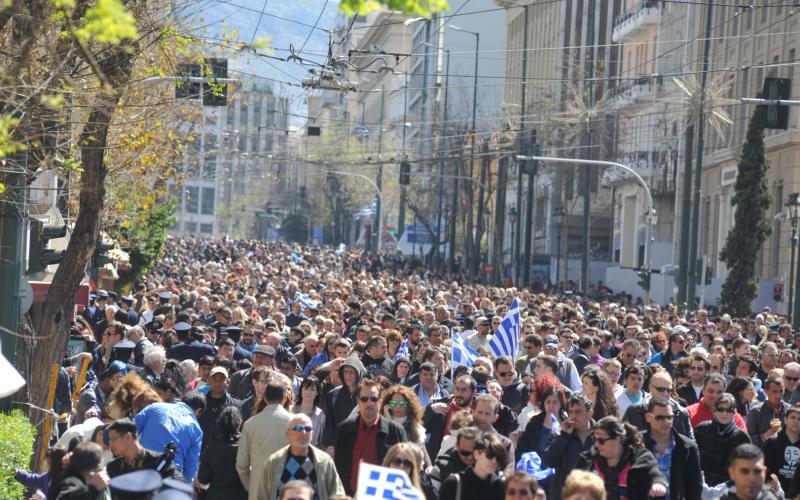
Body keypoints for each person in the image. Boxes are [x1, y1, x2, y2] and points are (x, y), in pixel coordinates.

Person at [334, 378, 407, 495]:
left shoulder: (395, 432)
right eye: (364, 399)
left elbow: (404, 471)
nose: (369, 403)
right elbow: (337, 467)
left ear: (380, 402)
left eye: (374, 399)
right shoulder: (344, 430)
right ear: (358, 401)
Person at [574, 416, 667, 500]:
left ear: (617, 439)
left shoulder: (640, 457)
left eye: (601, 440)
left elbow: (655, 475)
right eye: (595, 440)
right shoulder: (588, 460)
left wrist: (658, 484)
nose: (596, 445)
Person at [257, 414, 344, 500]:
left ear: (312, 434)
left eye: (308, 429)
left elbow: (338, 494)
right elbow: (262, 495)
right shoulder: (274, 461)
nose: (303, 432)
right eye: (298, 428)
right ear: (287, 434)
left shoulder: (325, 461)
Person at [237, 379, 293, 498]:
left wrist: (251, 485)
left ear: (265, 398)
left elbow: (241, 465)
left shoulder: (250, 424)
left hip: (257, 489)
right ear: (285, 397)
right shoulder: (294, 423)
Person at [642, 397, 703, 500]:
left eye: (669, 417)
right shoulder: (638, 444)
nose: (665, 421)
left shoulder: (687, 446)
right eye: (659, 417)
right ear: (648, 417)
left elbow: (694, 485)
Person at [133, 394, 204, 481]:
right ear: (199, 411)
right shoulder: (196, 429)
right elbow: (191, 465)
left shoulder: (156, 407)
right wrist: (184, 485)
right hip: (169, 475)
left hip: (141, 464)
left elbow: (131, 429)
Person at [541, 393, 596, 500]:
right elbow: (549, 461)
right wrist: (564, 436)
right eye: (571, 412)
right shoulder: (560, 432)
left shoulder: (600, 434)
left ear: (590, 413)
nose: (573, 416)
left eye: (578, 412)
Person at [693, 392, 752, 486]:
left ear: (734, 412)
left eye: (729, 410)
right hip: (700, 485)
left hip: (727, 490)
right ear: (714, 410)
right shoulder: (701, 429)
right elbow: (691, 458)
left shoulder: (741, 437)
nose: (724, 413)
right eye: (720, 409)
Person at [104, 418, 182, 480]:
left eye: (113, 439)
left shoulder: (158, 461)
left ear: (128, 437)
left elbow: (179, 485)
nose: (110, 444)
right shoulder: (113, 468)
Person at [423, 374, 478, 460]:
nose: (459, 393)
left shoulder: (479, 411)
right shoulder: (439, 406)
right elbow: (417, 423)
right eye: (457, 389)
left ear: (474, 392)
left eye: (464, 390)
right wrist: (429, 411)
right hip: (438, 462)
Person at [197, 406, 247, 500]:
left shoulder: (212, 446)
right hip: (239, 495)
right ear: (239, 422)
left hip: (214, 495)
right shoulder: (245, 445)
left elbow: (203, 478)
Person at [439, 433, 507, 500]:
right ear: (476, 454)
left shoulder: (500, 488)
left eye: (499, 458)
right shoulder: (454, 483)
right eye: (490, 455)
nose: (494, 461)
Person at [322, 354, 365, 453]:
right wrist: (330, 444)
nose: (348, 376)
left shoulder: (366, 396)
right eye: (345, 372)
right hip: (338, 448)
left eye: (351, 372)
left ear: (358, 374)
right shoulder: (333, 395)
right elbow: (329, 423)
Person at [198, 366, 242, 449]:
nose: (218, 383)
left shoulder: (236, 405)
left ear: (228, 381)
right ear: (208, 381)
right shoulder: (200, 402)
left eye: (221, 379)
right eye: (214, 379)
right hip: (201, 452)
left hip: (224, 455)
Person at [430, 426, 480, 494]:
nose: (470, 457)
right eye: (465, 453)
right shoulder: (442, 466)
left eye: (474, 453)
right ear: (457, 446)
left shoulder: (486, 466)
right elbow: (432, 495)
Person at [763, 405, 800, 493]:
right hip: (774, 494)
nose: (796, 421)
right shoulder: (771, 442)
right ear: (785, 419)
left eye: (799, 419)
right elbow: (762, 468)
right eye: (793, 417)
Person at [382, 384, 427, 454]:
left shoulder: (415, 426)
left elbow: (423, 453)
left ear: (409, 405)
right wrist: (387, 418)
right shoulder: (382, 423)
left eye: (402, 404)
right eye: (394, 403)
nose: (397, 406)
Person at [746, 377, 790, 446]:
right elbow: (747, 438)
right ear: (766, 391)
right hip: (764, 453)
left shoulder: (790, 411)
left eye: (781, 391)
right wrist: (764, 436)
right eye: (774, 391)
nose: (778, 395)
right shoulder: (755, 412)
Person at [293, 375, 326, 447]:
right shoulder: (291, 410)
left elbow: (321, 441)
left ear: (317, 392)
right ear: (301, 389)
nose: (308, 392)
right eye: (305, 388)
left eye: (312, 389)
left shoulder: (321, 415)